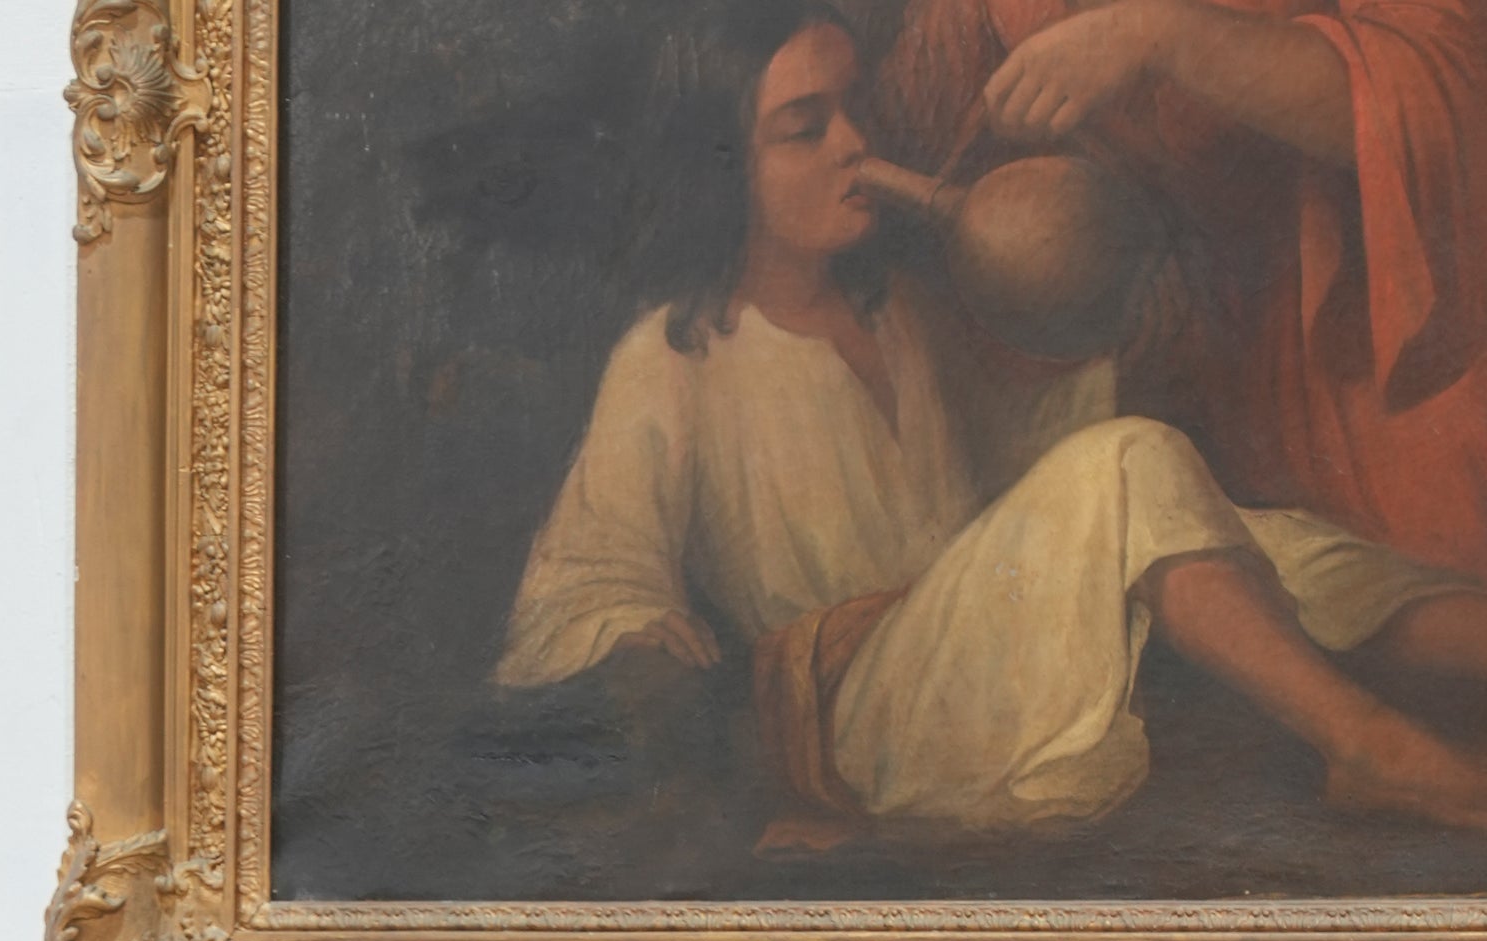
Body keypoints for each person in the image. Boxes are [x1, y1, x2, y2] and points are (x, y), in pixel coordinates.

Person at [496, 0, 1487, 832]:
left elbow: (1027, 470)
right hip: (865, 712)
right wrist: (635, 632)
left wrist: (1109, 320)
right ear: (725, 166)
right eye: (805, 127)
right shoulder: (674, 355)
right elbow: (587, 575)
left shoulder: (904, 316)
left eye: (854, 112)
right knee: (1136, 462)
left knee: (1240, 532)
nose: (852, 143)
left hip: (971, 647)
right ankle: (1370, 746)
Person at [883, 0, 1487, 574]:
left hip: (1367, 359)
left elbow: (1445, 92)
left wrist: (1161, 35)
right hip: (1169, 392)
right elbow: (923, 133)